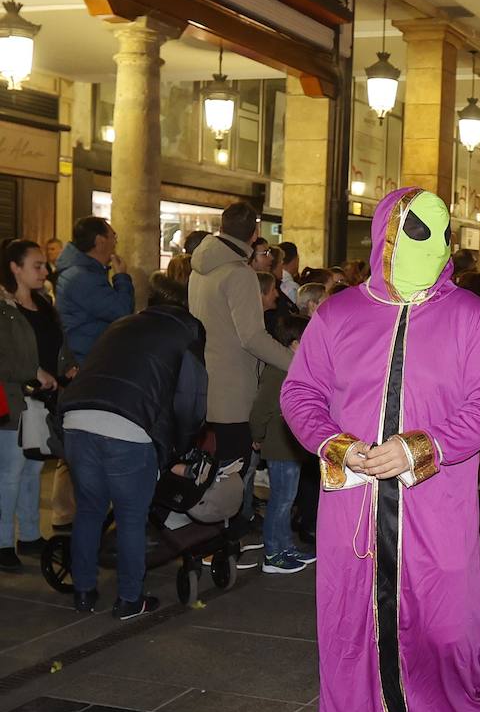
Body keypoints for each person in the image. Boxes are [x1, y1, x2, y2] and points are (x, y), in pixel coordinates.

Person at [280, 186, 480, 712]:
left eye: (442, 234)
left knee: (449, 620)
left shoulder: (471, 316)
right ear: (386, 235)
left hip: (436, 502)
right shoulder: (338, 315)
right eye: (416, 231)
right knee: (351, 630)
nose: (432, 246)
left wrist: (422, 449)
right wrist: (338, 446)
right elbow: (300, 394)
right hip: (352, 508)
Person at [58, 272, 207, 619]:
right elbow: (190, 398)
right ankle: (129, 599)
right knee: (130, 518)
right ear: (187, 307)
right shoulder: (188, 331)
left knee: (90, 511)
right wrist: (180, 447)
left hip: (77, 418)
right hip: (128, 427)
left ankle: (83, 592)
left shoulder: (122, 323)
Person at [189, 201, 294, 529]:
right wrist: (296, 363)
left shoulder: (199, 269)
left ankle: (210, 535)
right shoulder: (240, 274)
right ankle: (222, 539)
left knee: (211, 467)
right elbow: (251, 336)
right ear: (255, 233)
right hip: (234, 392)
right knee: (233, 471)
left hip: (204, 384)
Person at [0, 241, 59, 571]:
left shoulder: (43, 303)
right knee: (10, 472)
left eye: (44, 265)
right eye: (37, 265)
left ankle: (31, 535)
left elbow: (55, 346)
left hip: (42, 399)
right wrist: (31, 371)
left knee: (34, 467)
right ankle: (3, 542)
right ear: (14, 267)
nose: (45, 271)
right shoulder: (3, 308)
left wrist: (68, 366)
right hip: (12, 399)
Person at [250, 313, 313, 574]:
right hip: (279, 445)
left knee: (286, 499)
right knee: (281, 501)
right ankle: (273, 554)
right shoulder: (279, 370)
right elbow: (260, 409)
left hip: (288, 445)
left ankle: (285, 546)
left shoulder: (289, 367)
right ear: (295, 343)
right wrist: (257, 436)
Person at [54, 216, 133, 366]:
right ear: (100, 241)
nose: (116, 243)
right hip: (86, 361)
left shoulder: (86, 272)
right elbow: (122, 311)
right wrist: (122, 276)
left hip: (89, 357)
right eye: (113, 236)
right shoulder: (82, 278)